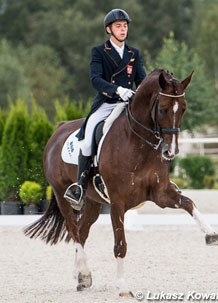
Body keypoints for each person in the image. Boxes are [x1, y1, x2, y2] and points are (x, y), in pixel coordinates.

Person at [64, 8, 146, 208]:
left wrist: (141, 94)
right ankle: (80, 187)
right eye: (118, 26)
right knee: (88, 135)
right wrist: (118, 90)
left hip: (128, 104)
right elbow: (95, 80)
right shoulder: (99, 52)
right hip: (106, 103)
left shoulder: (133, 53)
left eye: (125, 26)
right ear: (109, 29)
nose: (122, 29)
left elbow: (141, 80)